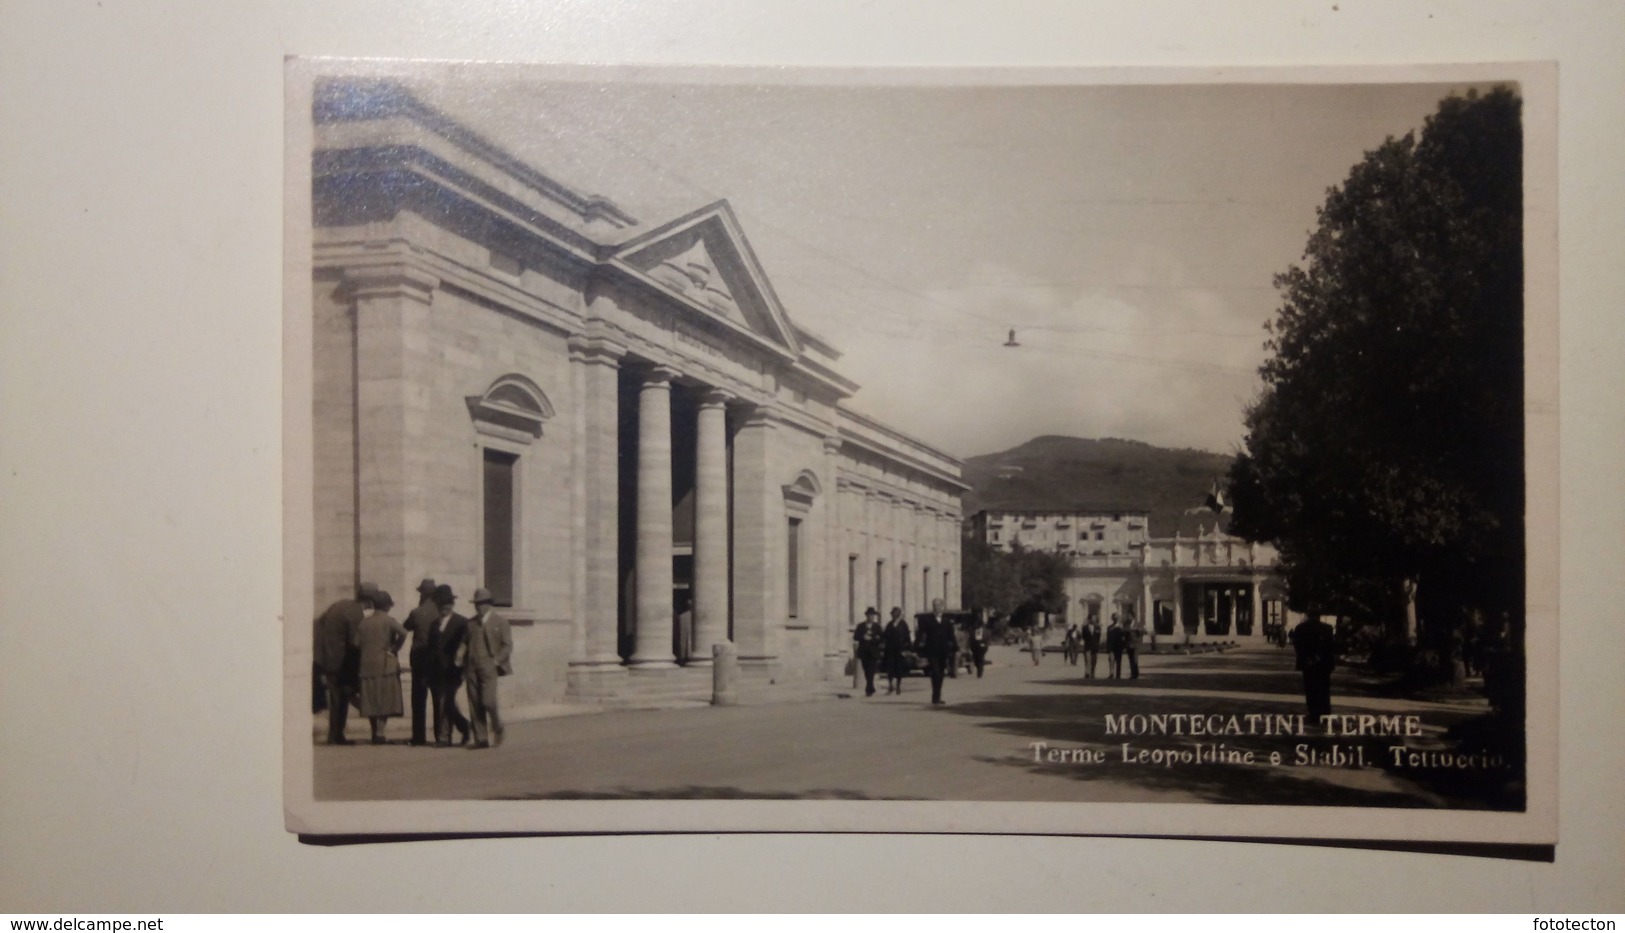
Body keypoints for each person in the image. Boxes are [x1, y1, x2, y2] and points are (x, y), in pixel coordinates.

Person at [313, 582, 375, 745]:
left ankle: (336, 735)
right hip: (340, 662)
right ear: (369, 601)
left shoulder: (340, 605)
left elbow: (319, 624)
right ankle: (335, 736)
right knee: (340, 699)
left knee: (336, 699)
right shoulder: (355, 613)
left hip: (327, 658)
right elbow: (355, 642)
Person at [462, 587, 513, 749]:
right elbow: (464, 642)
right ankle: (481, 738)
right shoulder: (470, 623)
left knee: (488, 701)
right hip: (471, 666)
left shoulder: (500, 622)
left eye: (482, 603)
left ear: (489, 604)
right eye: (477, 604)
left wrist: (497, 660)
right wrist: (459, 654)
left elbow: (507, 645)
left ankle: (498, 728)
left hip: (489, 666)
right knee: (474, 702)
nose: (479, 607)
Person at [356, 590, 407, 744]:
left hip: (366, 664)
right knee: (385, 699)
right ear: (387, 606)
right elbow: (403, 633)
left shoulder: (363, 622)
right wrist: (395, 648)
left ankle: (374, 732)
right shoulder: (388, 620)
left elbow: (355, 643)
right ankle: (380, 732)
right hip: (385, 664)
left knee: (371, 699)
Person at [402, 577, 442, 746]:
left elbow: (405, 627)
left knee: (418, 698)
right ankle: (440, 735)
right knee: (438, 697)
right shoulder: (440, 612)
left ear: (422, 595)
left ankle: (418, 736)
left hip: (419, 659)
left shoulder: (417, 612)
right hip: (436, 660)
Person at [431, 585, 472, 747]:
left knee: (445, 700)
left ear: (452, 604)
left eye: (447, 603)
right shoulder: (434, 624)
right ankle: (464, 727)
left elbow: (466, 646)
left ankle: (444, 737)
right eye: (441, 603)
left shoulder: (462, 622)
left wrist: (463, 669)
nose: (444, 607)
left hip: (454, 670)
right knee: (446, 702)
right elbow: (431, 648)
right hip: (437, 670)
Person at [1290, 613, 1337, 725]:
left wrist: (1307, 659)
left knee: (1311, 689)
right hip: (1323, 664)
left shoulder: (1300, 628)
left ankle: (1314, 714)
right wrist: (1319, 657)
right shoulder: (1327, 628)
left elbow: (1298, 646)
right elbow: (1330, 647)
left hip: (1309, 664)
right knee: (1323, 689)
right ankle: (1324, 714)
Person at [915, 599, 958, 706]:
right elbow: (921, 634)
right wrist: (916, 647)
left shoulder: (947, 621)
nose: (936, 607)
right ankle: (935, 696)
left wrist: (955, 647)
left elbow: (951, 636)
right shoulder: (927, 620)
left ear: (942, 607)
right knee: (935, 672)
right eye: (934, 605)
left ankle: (938, 695)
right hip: (932, 651)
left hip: (943, 651)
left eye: (938, 605)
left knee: (941, 673)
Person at [852, 608, 884, 697]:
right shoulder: (861, 626)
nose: (871, 617)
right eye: (869, 615)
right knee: (866, 670)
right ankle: (870, 686)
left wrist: (873, 638)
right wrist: (863, 637)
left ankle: (869, 688)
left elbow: (881, 638)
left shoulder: (877, 627)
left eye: (873, 615)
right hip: (864, 651)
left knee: (872, 670)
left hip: (873, 652)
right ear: (866, 616)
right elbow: (856, 637)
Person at [881, 607, 912, 695]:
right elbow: (885, 636)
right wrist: (883, 646)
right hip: (890, 650)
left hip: (900, 650)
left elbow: (907, 637)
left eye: (894, 613)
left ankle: (898, 686)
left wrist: (908, 649)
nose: (892, 615)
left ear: (898, 614)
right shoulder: (890, 624)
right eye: (892, 614)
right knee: (890, 668)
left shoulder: (903, 624)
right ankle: (890, 685)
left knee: (899, 668)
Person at [1081, 613, 1102, 679]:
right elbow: (1083, 636)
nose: (1094, 620)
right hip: (1088, 645)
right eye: (1093, 618)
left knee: (1094, 660)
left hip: (1095, 646)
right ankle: (1087, 672)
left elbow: (1098, 636)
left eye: (1095, 618)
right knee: (1087, 659)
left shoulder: (1098, 627)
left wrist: (1098, 644)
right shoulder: (1085, 627)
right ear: (1090, 619)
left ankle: (1092, 672)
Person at [1105, 614, 1127, 679]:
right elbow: (1108, 638)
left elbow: (1123, 637)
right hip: (1111, 646)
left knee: (1118, 661)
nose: (1115, 619)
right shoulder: (1109, 627)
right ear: (1112, 619)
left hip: (1119, 646)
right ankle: (1111, 673)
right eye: (1114, 618)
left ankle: (1118, 674)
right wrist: (1107, 647)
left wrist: (1123, 646)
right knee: (1111, 660)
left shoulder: (1121, 627)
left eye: (1117, 618)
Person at [1125, 613, 1144, 679]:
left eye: (1129, 616)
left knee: (1135, 659)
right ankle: (1133, 674)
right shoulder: (1126, 624)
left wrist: (1137, 629)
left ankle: (1136, 674)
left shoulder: (1137, 623)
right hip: (1128, 644)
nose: (1127, 617)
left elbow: (1142, 632)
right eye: (1127, 616)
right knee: (1131, 660)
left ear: (1133, 617)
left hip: (1135, 644)